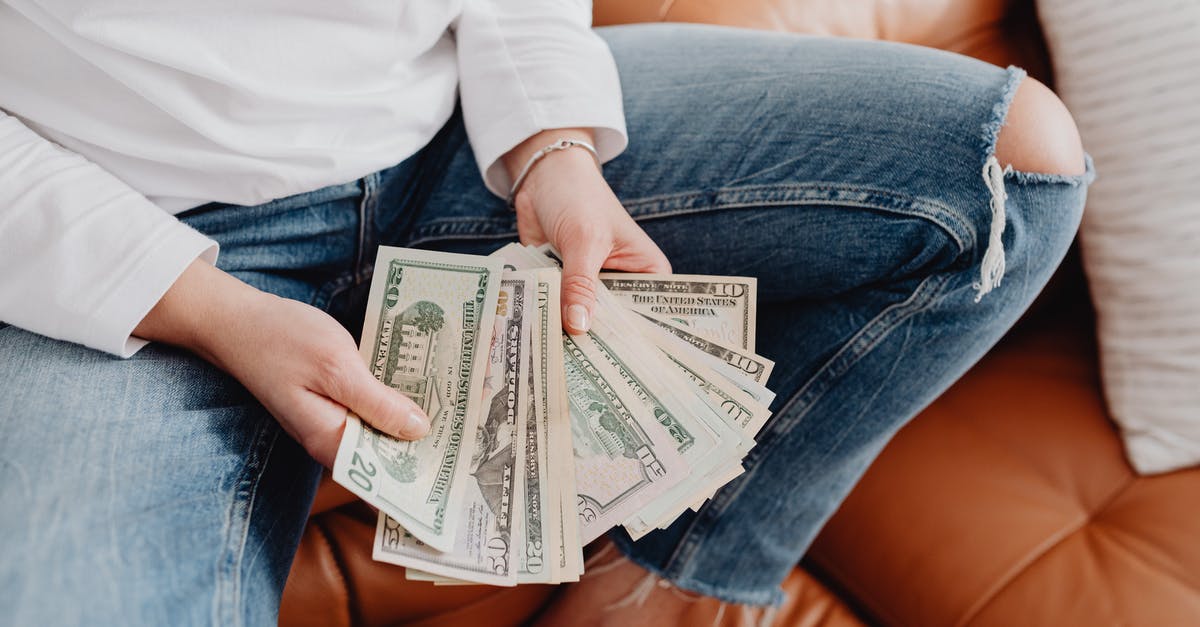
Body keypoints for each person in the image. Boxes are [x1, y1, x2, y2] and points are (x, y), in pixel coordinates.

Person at [0, 1, 1091, 625]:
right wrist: (201, 306)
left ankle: (668, 582)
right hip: (130, 245)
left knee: (1016, 171)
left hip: (460, 138)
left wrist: (556, 144)